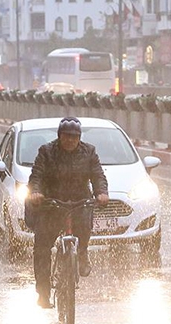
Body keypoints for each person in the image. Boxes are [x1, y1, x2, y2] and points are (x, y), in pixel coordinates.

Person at [27, 117, 109, 308]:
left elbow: (98, 175)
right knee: (42, 248)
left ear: (79, 138)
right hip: (52, 203)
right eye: (66, 136)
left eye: (74, 137)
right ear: (59, 136)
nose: (70, 140)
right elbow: (36, 175)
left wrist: (102, 192)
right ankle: (43, 292)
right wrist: (37, 192)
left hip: (80, 201)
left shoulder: (89, 152)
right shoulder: (46, 152)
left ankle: (82, 253)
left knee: (84, 225)